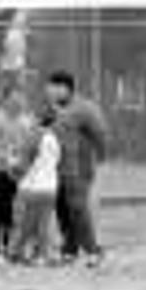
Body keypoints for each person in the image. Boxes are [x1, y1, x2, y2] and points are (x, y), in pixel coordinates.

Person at [45, 71, 109, 267]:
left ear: (65, 88)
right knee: (63, 210)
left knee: (78, 210)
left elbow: (100, 133)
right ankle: (69, 250)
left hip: (79, 169)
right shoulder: (51, 109)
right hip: (56, 169)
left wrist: (101, 158)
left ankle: (93, 251)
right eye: (49, 88)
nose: (49, 91)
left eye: (54, 88)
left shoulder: (85, 108)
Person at [0, 88, 34, 265]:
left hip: (18, 174)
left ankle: (10, 250)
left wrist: (27, 169)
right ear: (5, 100)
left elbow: (31, 147)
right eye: (14, 98)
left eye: (21, 98)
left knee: (14, 214)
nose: (18, 101)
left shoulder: (27, 122)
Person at [7, 112, 61, 266]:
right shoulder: (54, 140)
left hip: (31, 188)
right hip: (50, 188)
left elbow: (23, 165)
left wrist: (11, 166)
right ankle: (45, 255)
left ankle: (15, 253)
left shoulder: (35, 137)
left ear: (38, 121)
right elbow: (55, 163)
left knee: (24, 224)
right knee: (44, 224)